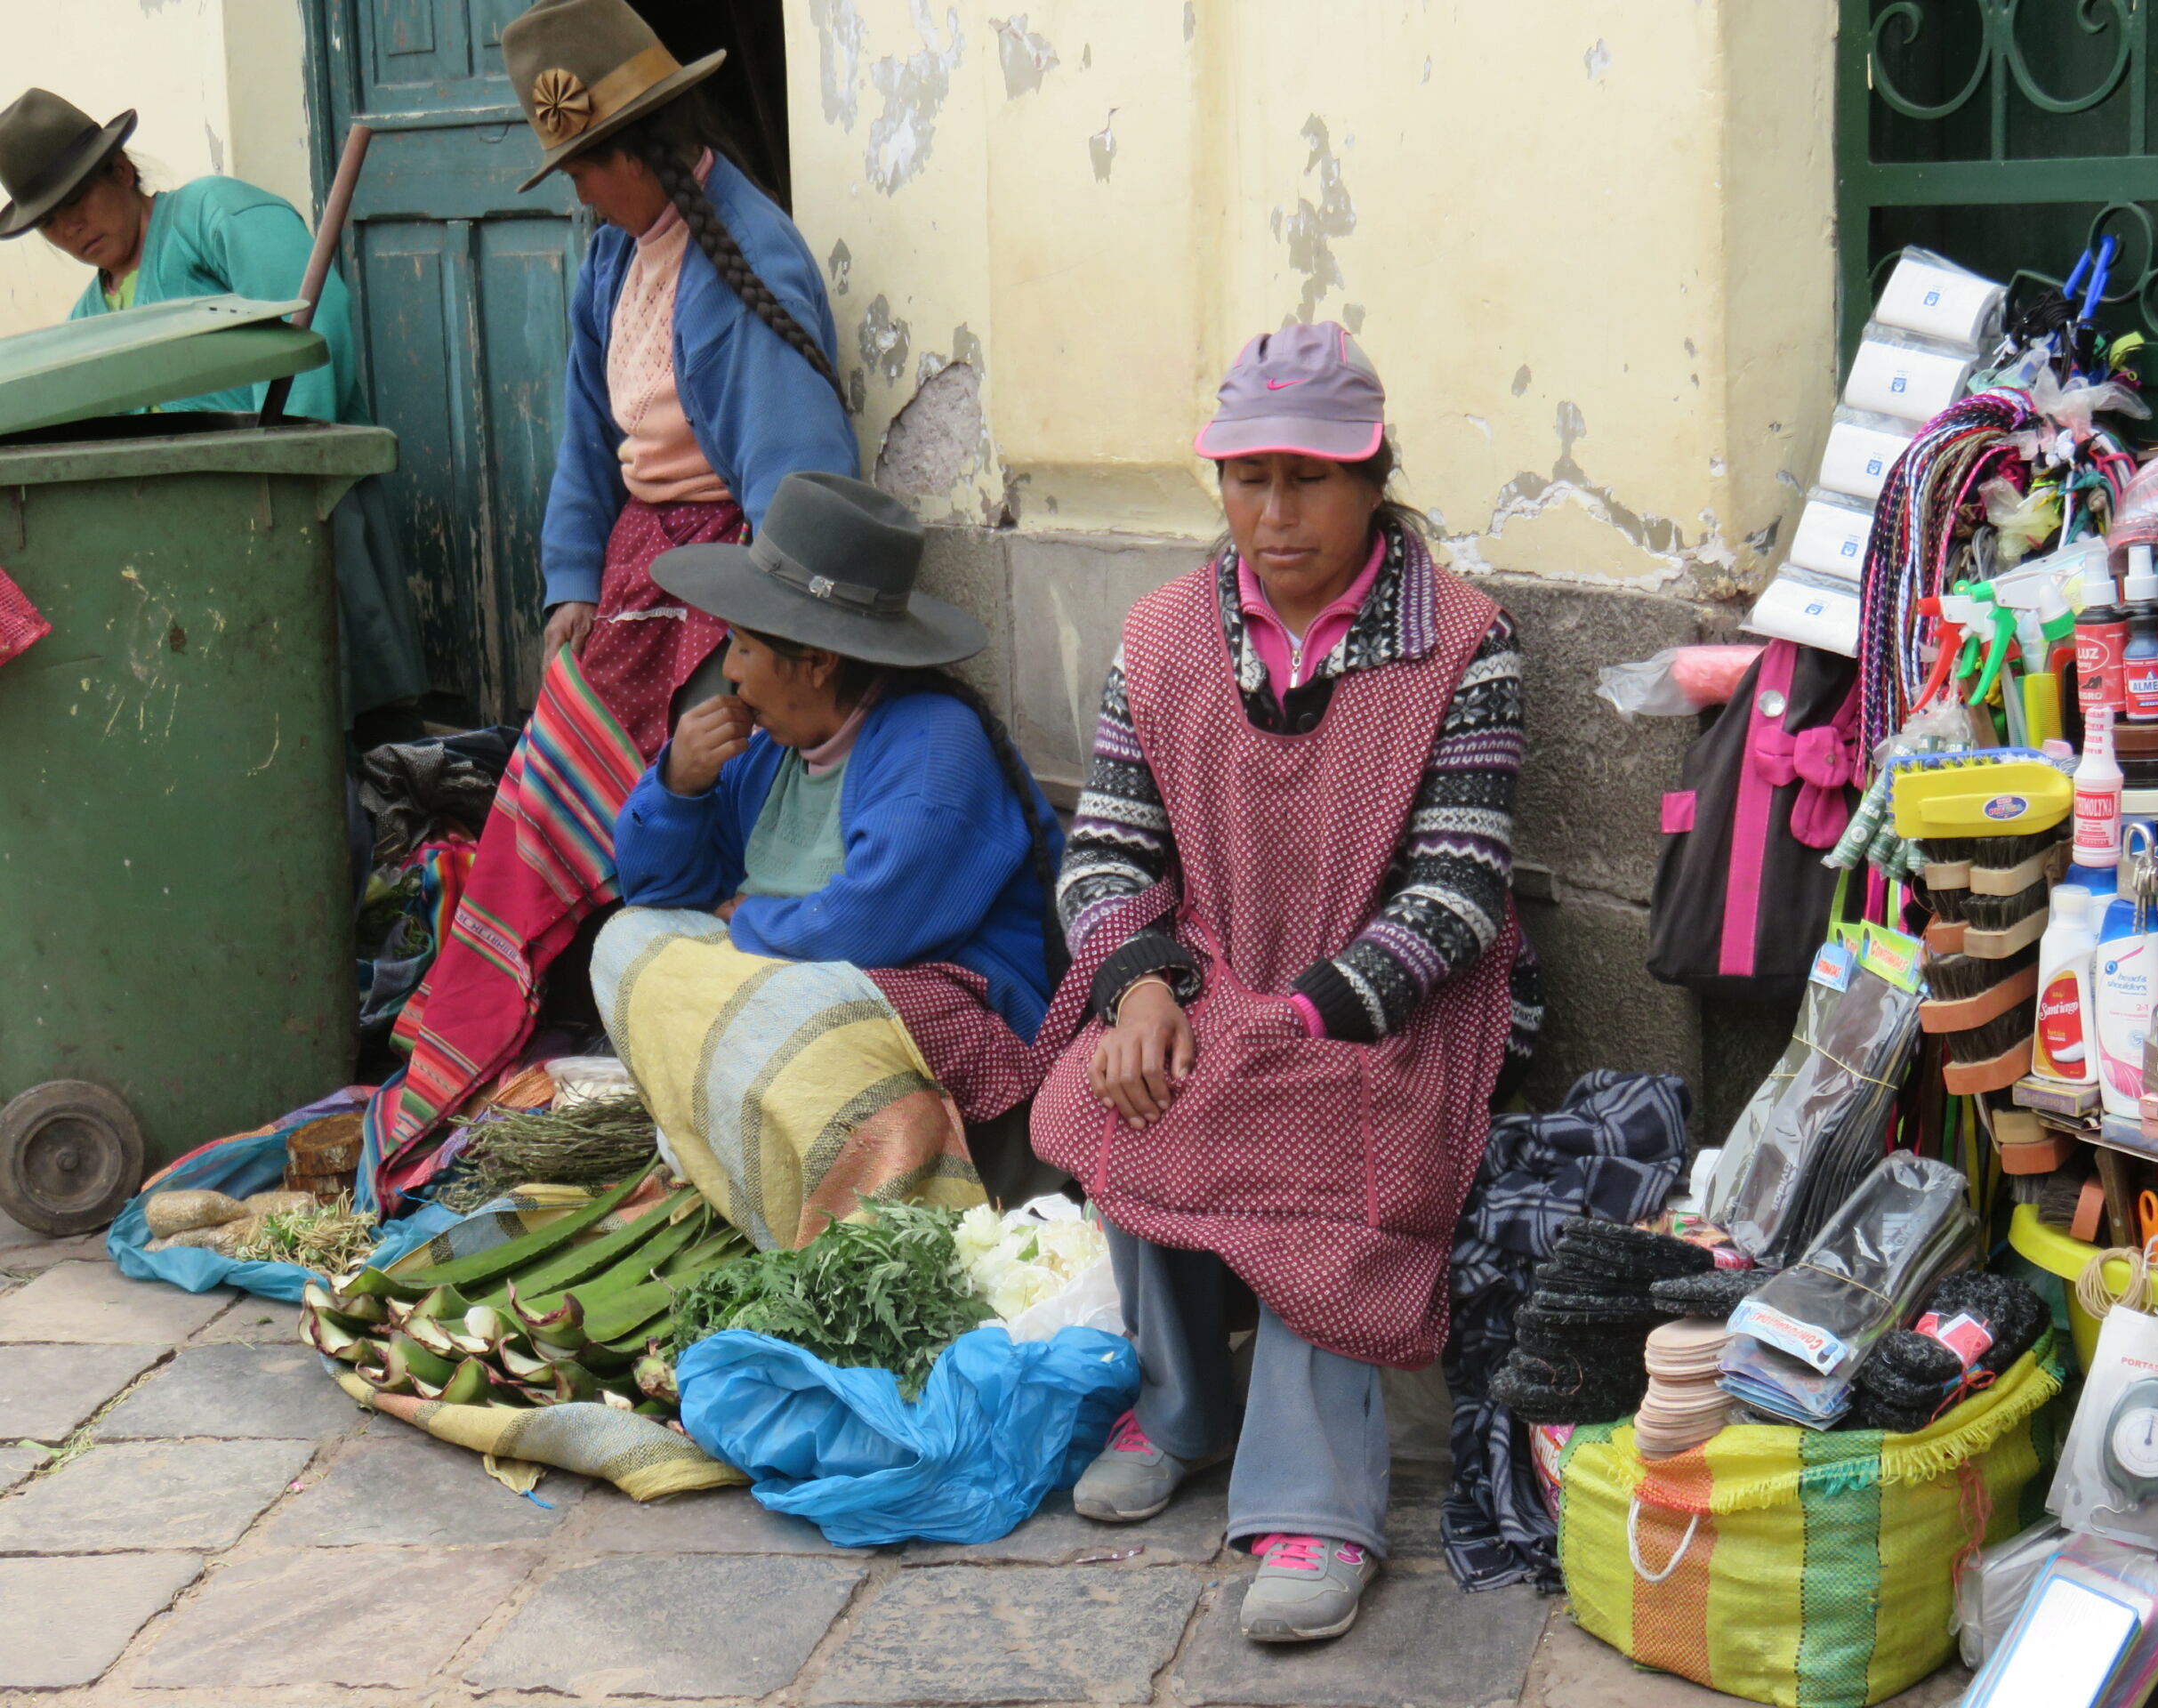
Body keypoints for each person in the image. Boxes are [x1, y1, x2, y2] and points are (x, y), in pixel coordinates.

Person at [1032, 323, 1542, 1644]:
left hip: (1393, 1003)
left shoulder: (1466, 644)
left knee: (1319, 1135)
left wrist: (1304, 1014)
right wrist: (1141, 988)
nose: (1274, 512)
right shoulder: (1159, 639)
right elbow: (1104, 854)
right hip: (1207, 974)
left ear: (1374, 476)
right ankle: (1185, 1405)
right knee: (1123, 1086)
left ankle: (1314, 1497)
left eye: (1308, 479)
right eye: (1247, 479)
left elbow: (1458, 890)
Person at [368, 0, 859, 1202]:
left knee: (672, 798)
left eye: (582, 166)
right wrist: (571, 586)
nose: (576, 193)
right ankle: (473, 1078)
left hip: (725, 583)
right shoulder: (610, 259)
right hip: (639, 576)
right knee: (539, 805)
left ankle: (639, 1073)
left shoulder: (748, 257)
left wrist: (754, 635)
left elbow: (798, 481)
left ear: (635, 149)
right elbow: (586, 443)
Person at [590, 471, 1063, 1244]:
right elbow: (661, 891)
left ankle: (879, 1209)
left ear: (815, 661)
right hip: (799, 973)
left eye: (742, 646)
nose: (729, 670)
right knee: (625, 942)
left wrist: (746, 920)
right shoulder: (769, 745)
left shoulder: (936, 744)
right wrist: (677, 785)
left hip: (948, 1004)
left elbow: (870, 924)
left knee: (801, 1008)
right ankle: (757, 1171)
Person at [0, 86, 426, 720]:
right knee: (255, 718)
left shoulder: (212, 215)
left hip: (298, 502)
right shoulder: (91, 313)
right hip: (197, 540)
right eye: (49, 222)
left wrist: (282, 468)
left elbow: (313, 321)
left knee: (351, 708)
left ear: (121, 170)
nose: (70, 229)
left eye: (76, 202)